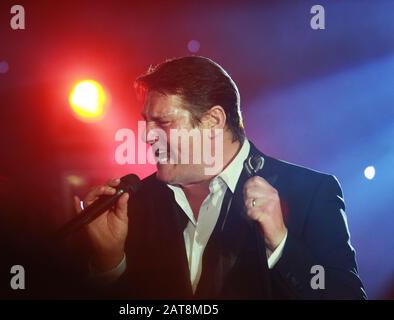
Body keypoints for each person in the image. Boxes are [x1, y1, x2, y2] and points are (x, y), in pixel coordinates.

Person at [74, 56, 367, 299]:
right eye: (146, 123)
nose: (147, 136)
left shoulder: (309, 192)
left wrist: (281, 244)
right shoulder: (136, 203)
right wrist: (108, 263)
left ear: (213, 121)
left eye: (163, 122)